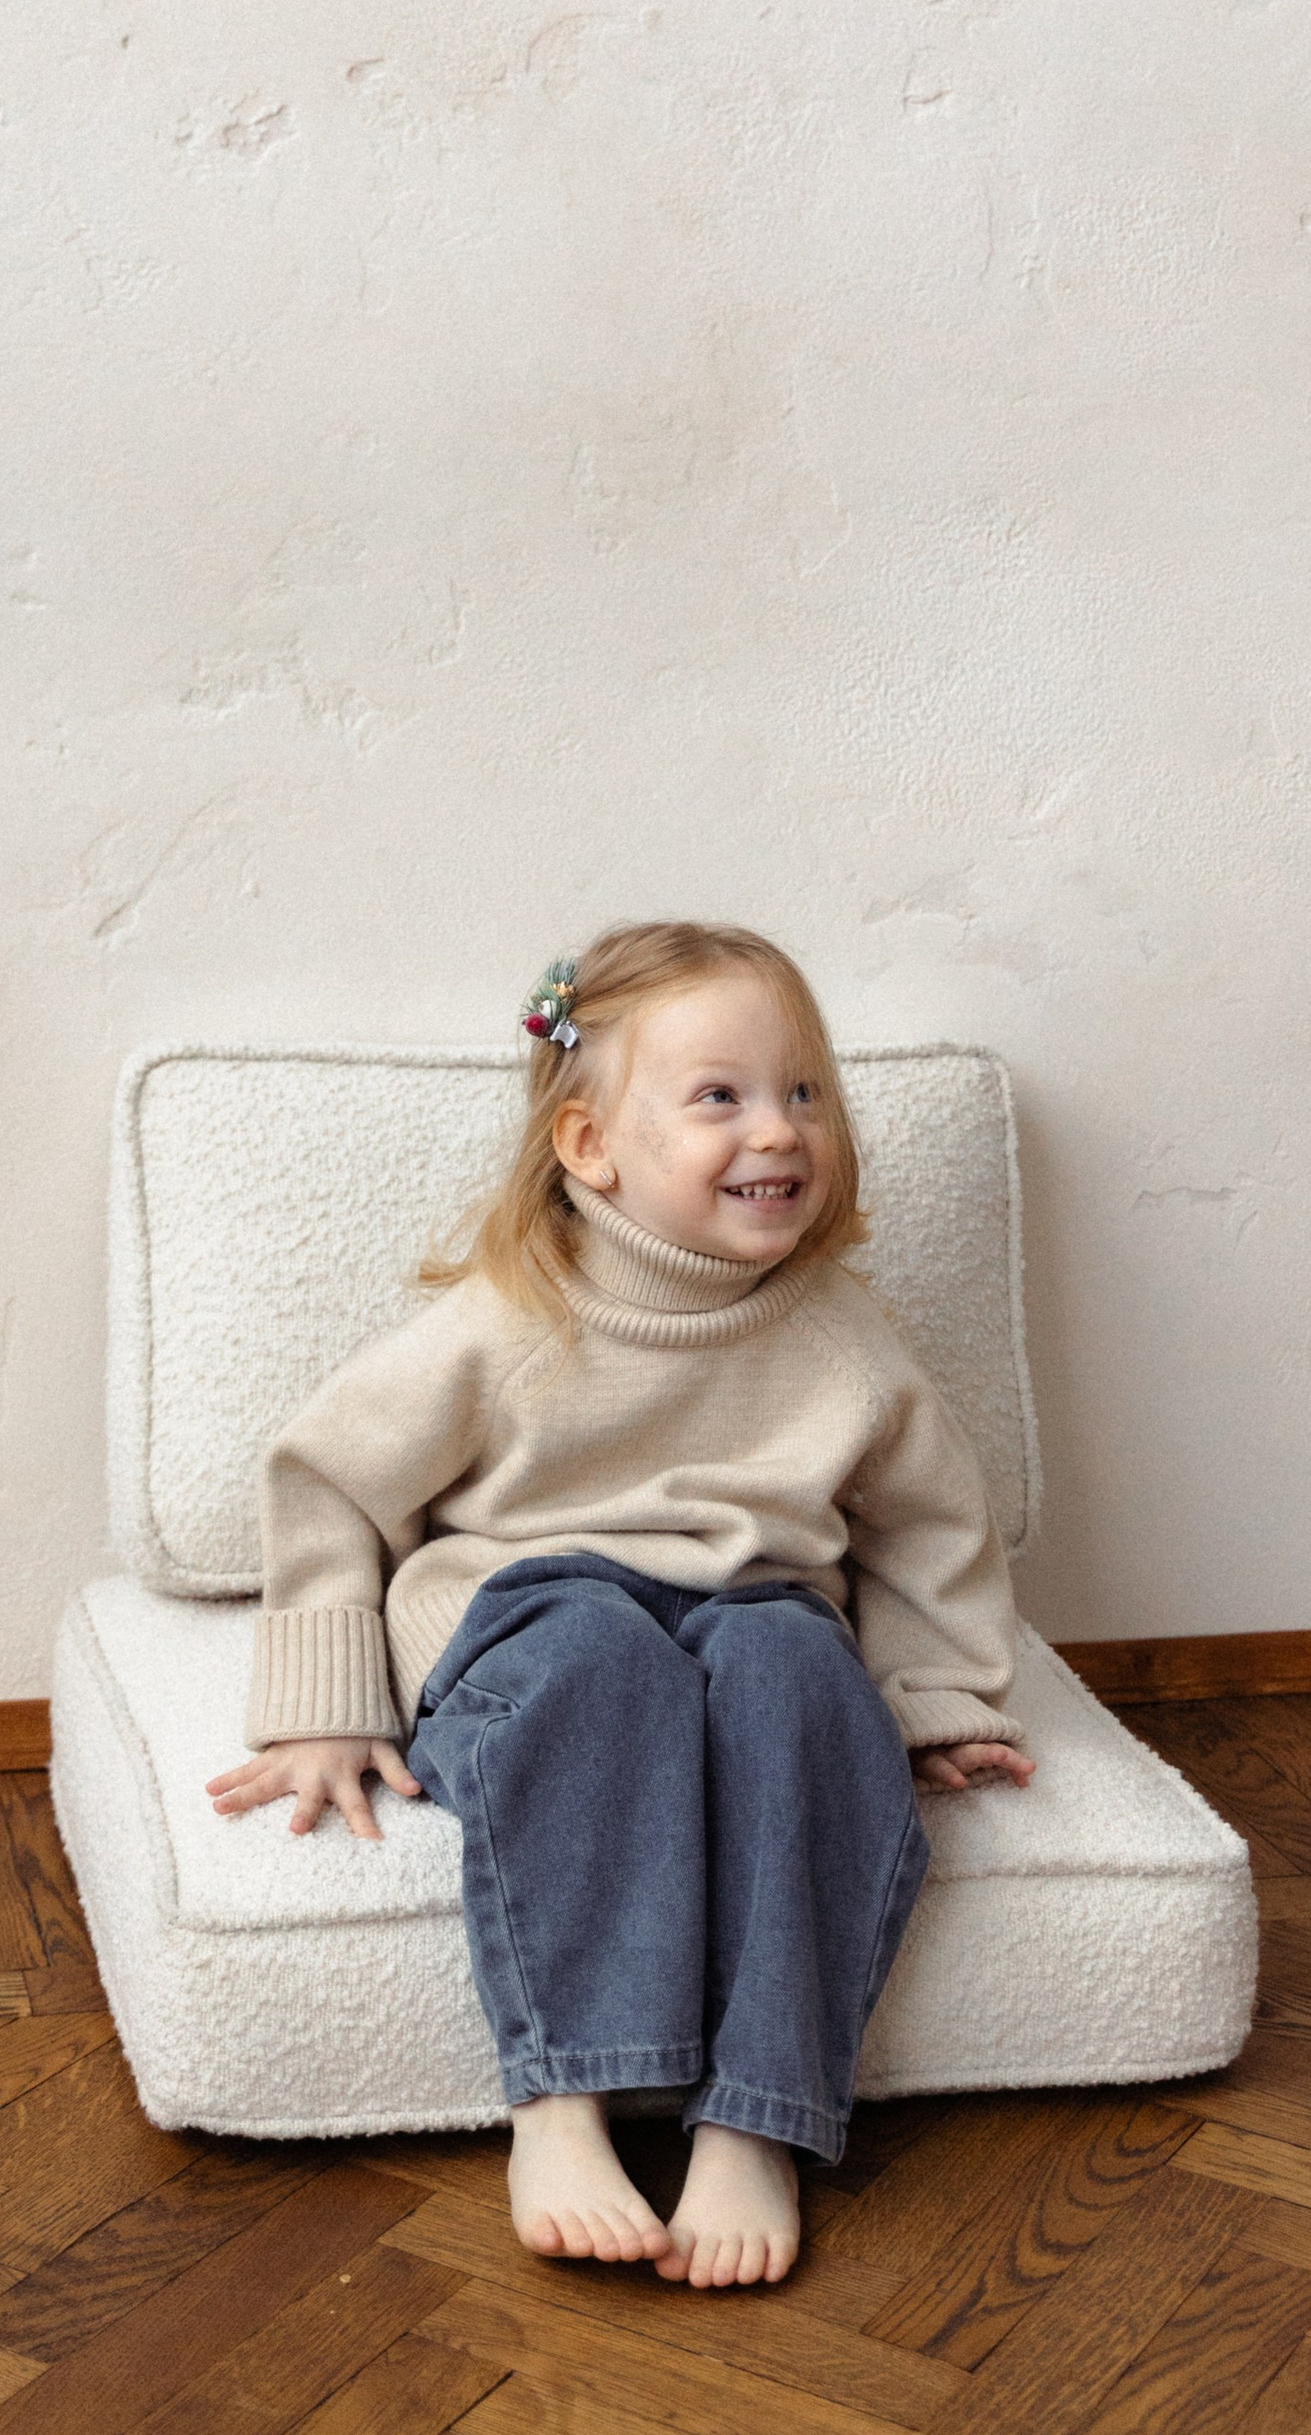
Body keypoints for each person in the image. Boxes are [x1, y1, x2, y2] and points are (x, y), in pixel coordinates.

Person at [204, 919, 1035, 2286]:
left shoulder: (842, 1338)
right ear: (591, 1145)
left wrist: (936, 1695)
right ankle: (562, 2096)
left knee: (796, 1677)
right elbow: (327, 1481)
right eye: (721, 1098)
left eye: (804, 1094)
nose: (778, 1132)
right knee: (604, 1666)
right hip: (531, 1611)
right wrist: (323, 1702)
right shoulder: (511, 1320)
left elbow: (928, 1528)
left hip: (750, 1604)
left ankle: (757, 2121)